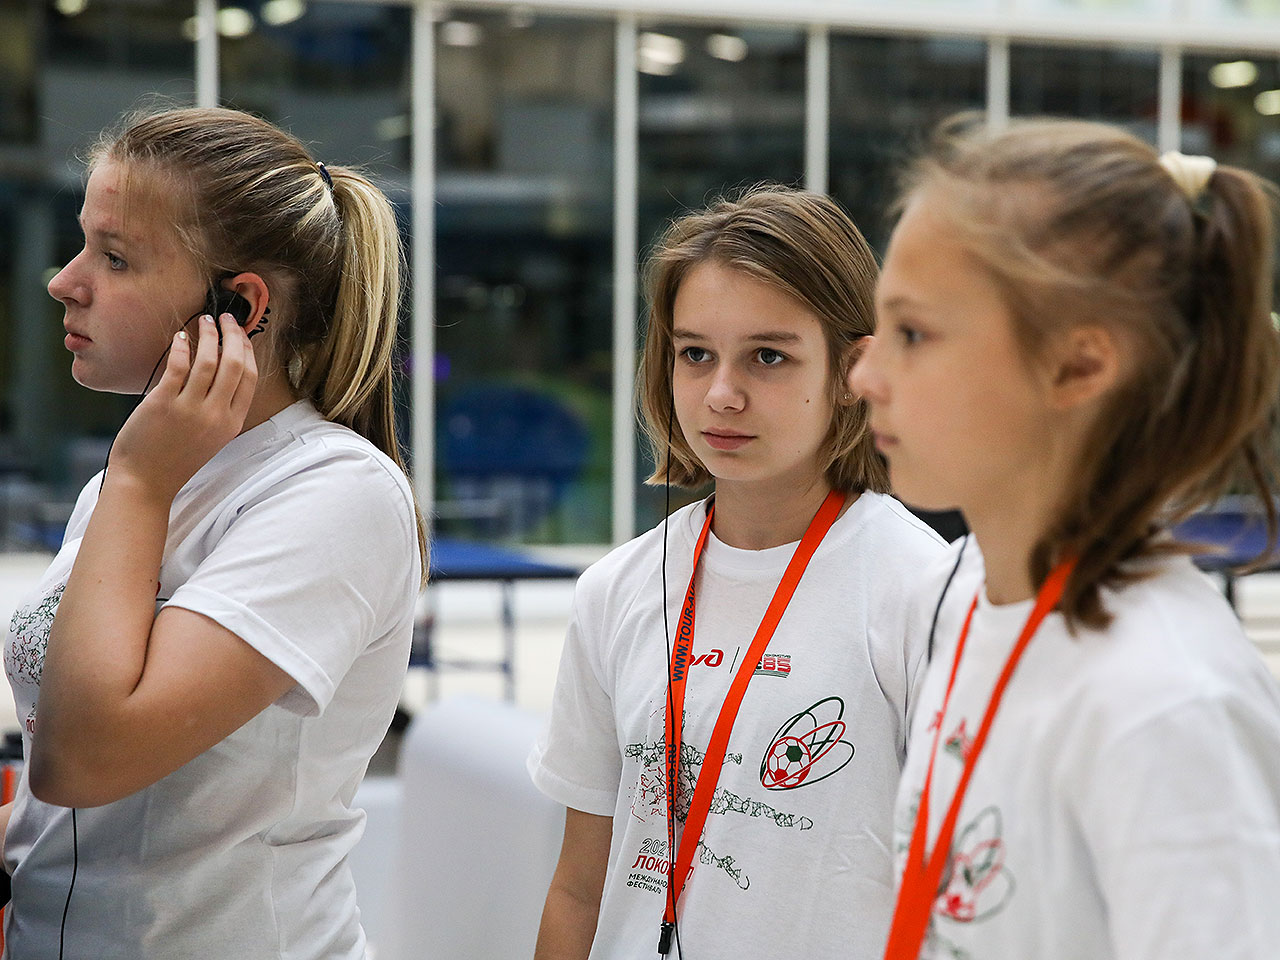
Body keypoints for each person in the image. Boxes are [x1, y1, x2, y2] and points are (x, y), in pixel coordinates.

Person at [851, 115, 1280, 960]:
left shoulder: (1165, 704)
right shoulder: (964, 599)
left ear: (1079, 367)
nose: (864, 374)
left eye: (913, 334)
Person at [2, 106, 424, 958]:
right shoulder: (139, 480)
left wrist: (139, 481)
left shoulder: (334, 495)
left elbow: (85, 761)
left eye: (114, 257)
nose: (65, 282)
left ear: (240, 305)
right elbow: (60, 799)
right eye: (82, 245)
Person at [528, 186, 946, 959]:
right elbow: (580, 889)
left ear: (854, 369)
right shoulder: (618, 589)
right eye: (696, 354)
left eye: (768, 356)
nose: (722, 394)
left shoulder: (924, 592)